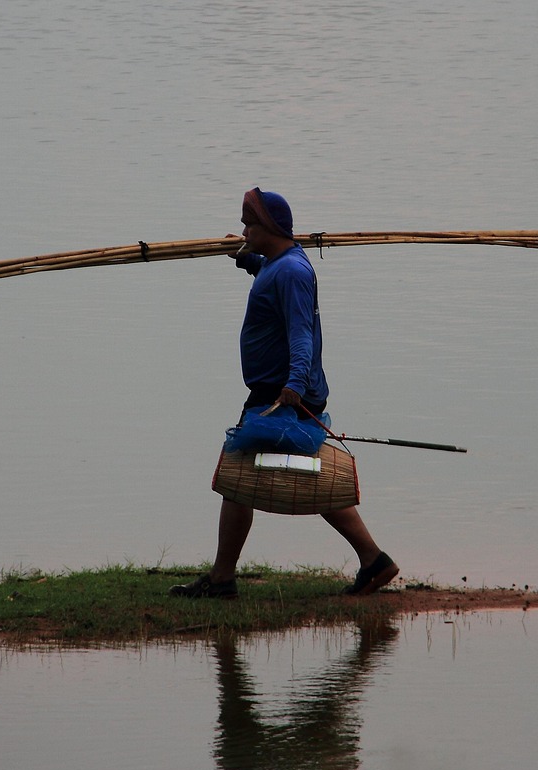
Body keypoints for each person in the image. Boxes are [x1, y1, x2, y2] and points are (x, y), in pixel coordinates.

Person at [171, 188, 398, 599]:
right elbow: (269, 274)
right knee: (286, 477)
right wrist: (243, 258)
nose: (243, 229)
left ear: (268, 228)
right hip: (276, 388)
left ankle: (223, 579)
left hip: (282, 392)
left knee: (237, 474)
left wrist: (293, 385)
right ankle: (373, 559)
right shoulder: (281, 264)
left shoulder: (292, 271)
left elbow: (301, 334)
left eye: (248, 224)